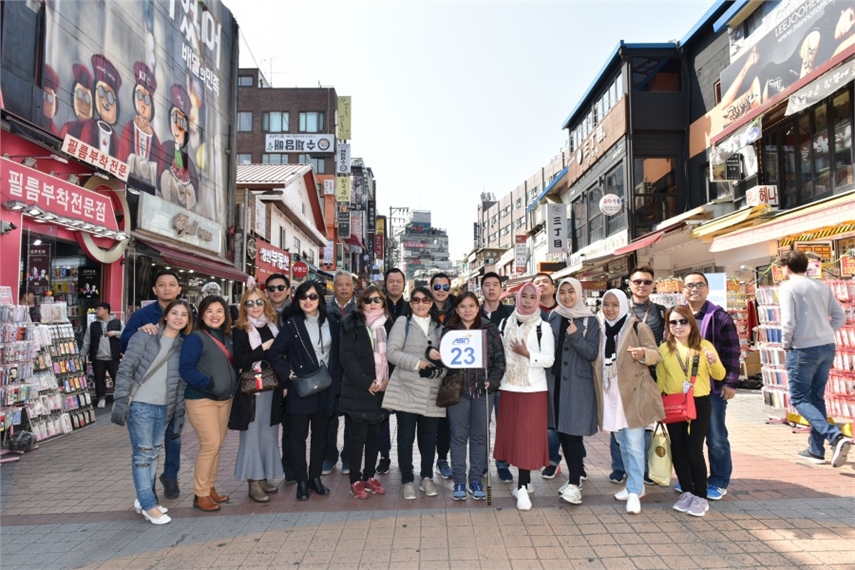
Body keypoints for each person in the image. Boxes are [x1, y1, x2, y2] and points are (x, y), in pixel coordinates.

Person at [110, 300, 192, 525]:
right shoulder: (145, 335)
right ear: (165, 316)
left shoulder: (183, 346)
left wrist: (178, 412)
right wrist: (120, 400)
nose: (178, 317)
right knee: (143, 455)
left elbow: (181, 383)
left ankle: (143, 499)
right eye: (174, 313)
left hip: (164, 407)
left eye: (183, 315)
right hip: (140, 405)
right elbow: (126, 368)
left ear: (188, 321)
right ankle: (148, 505)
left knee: (153, 453)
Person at [268, 281, 342, 502]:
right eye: (303, 297)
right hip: (300, 389)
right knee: (298, 437)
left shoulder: (332, 322)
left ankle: (315, 478)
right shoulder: (293, 324)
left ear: (320, 299)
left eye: (312, 296)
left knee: (321, 437)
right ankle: (301, 481)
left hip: (325, 388)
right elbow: (275, 353)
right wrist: (288, 375)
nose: (307, 301)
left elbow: (338, 354)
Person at [594, 289, 663, 515]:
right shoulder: (602, 330)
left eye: (615, 304)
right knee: (621, 441)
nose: (610, 309)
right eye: (606, 304)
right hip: (611, 394)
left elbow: (656, 354)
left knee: (633, 444)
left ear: (623, 305)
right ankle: (635, 485)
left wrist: (643, 353)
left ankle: (634, 491)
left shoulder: (636, 327)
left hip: (632, 394)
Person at [779, 250, 849, 467]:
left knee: (800, 398)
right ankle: (816, 450)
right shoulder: (821, 286)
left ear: (786, 267)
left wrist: (786, 343)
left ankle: (835, 436)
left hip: (802, 348)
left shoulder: (788, 287)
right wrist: (826, 331)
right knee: (817, 398)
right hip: (827, 346)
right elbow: (840, 316)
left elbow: (788, 321)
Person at [657, 306, 726, 518]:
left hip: (699, 401)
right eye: (673, 322)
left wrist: (714, 362)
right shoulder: (664, 349)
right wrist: (657, 405)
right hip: (673, 403)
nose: (678, 326)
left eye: (683, 321)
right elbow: (660, 379)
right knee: (677, 448)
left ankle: (701, 496)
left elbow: (720, 375)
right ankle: (687, 490)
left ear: (691, 323)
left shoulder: (704, 346)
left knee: (694, 449)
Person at [121, 270, 184, 500]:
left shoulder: (185, 314)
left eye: (172, 284)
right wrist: (140, 332)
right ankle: (148, 490)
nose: (167, 288)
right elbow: (124, 343)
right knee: (146, 447)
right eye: (162, 284)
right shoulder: (142, 315)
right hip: (147, 395)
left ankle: (171, 476)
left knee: (173, 438)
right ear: (154, 289)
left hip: (174, 391)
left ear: (179, 289)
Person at [493, 283, 555, 511]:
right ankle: (524, 484)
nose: (527, 301)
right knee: (513, 436)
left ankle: (522, 486)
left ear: (537, 300)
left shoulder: (543, 327)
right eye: (524, 297)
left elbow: (549, 359)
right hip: (508, 387)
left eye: (532, 297)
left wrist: (527, 354)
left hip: (533, 389)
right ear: (517, 299)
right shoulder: (505, 323)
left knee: (527, 438)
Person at [384, 286, 447, 500]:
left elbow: (448, 357)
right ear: (410, 303)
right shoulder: (403, 322)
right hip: (407, 389)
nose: (421, 304)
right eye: (416, 300)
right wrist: (417, 363)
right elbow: (392, 353)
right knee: (405, 437)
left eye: (425, 300)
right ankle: (407, 480)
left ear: (431, 302)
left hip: (432, 390)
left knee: (429, 439)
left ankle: (426, 477)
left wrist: (440, 365)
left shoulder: (440, 326)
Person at [682, 272, 740, 500]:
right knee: (689, 437)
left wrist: (731, 382)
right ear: (683, 290)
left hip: (712, 389)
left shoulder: (719, 317)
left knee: (715, 437)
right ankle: (692, 479)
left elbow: (732, 351)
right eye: (689, 285)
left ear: (707, 289)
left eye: (699, 285)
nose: (694, 289)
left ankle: (718, 480)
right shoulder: (678, 315)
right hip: (685, 389)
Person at [443, 293, 506, 501]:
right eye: (462, 306)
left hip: (482, 391)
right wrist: (434, 354)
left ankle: (476, 479)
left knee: (480, 436)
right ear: (456, 309)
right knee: (458, 436)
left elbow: (500, 360)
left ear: (478, 308)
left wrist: (493, 381)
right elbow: (442, 360)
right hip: (457, 391)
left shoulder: (489, 329)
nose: (467, 310)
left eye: (471, 306)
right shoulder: (449, 331)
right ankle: (459, 480)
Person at [179, 295, 237, 512]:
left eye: (219, 311)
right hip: (201, 398)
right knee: (210, 444)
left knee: (217, 444)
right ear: (201, 314)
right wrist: (208, 383)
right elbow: (186, 368)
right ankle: (200, 494)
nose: (215, 315)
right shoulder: (196, 338)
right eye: (209, 311)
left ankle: (210, 487)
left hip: (224, 399)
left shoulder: (227, 336)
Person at [609, 266, 666, 485]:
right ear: (629, 284)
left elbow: (662, 345)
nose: (642, 285)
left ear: (653, 285)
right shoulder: (618, 307)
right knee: (618, 424)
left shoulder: (661, 311)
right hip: (622, 376)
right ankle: (619, 467)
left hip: (648, 374)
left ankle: (643, 470)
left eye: (647, 282)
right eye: (637, 281)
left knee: (643, 424)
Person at [229, 288, 285, 504]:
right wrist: (263, 348)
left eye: (259, 302)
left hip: (273, 388)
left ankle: (263, 476)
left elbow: (281, 356)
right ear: (243, 307)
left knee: (269, 433)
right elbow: (241, 360)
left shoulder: (273, 325)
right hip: (252, 390)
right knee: (251, 435)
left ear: (266, 303)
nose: (255, 307)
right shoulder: (240, 329)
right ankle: (253, 481)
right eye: (249, 303)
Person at [548, 279, 600, 505]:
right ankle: (573, 480)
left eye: (571, 291)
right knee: (561, 432)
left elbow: (592, 353)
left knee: (573, 435)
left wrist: (576, 337)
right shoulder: (554, 316)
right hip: (555, 383)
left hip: (578, 385)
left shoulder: (590, 320)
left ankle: (575, 481)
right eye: (563, 292)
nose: (567, 296)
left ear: (579, 293)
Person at [339, 286, 392, 499]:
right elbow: (347, 357)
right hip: (358, 389)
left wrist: (387, 380)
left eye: (377, 300)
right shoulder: (351, 323)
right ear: (361, 303)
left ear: (383, 303)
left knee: (374, 437)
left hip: (381, 390)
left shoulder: (387, 325)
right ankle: (355, 479)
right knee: (357, 438)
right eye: (368, 300)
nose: (373, 303)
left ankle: (369, 476)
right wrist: (366, 382)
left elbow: (392, 356)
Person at [480, 272, 515, 483]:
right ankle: (481, 464)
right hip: (481, 379)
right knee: (481, 425)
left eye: (495, 284)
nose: (491, 288)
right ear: (481, 289)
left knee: (504, 424)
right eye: (487, 285)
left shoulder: (512, 313)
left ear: (501, 289)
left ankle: (503, 464)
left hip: (506, 378)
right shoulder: (473, 313)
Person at [323, 272, 356, 476]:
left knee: (352, 419)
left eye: (347, 284)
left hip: (354, 374)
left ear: (353, 287)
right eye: (339, 285)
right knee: (330, 418)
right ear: (333, 287)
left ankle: (349, 457)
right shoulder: (324, 311)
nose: (344, 288)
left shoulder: (360, 311)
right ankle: (329, 456)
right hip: (331, 371)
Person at [378, 267, 409, 474]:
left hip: (406, 370)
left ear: (404, 284)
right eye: (391, 281)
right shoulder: (378, 307)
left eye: (399, 281)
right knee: (382, 416)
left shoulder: (411, 307)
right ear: (385, 284)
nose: (395, 284)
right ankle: (384, 456)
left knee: (405, 419)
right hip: (383, 369)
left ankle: (405, 460)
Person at [265, 274, 295, 483]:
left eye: (280, 287)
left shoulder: (296, 312)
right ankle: (265, 471)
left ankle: (289, 467)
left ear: (288, 289)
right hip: (265, 378)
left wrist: (287, 378)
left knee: (291, 427)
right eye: (272, 288)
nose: (276, 291)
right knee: (266, 428)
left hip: (289, 376)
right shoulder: (260, 312)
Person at [532, 272, 561, 479]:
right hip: (539, 372)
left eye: (545, 282)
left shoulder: (565, 308)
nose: (541, 285)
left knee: (568, 418)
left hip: (564, 371)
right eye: (537, 283)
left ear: (553, 286)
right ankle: (552, 460)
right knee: (548, 420)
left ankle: (578, 460)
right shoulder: (530, 311)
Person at [429, 272, 456, 480]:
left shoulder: (458, 309)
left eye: (445, 287)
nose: (441, 291)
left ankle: (442, 459)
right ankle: (425, 464)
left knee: (447, 421)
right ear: (431, 288)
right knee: (428, 422)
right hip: (427, 374)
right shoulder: (422, 307)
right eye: (437, 287)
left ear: (450, 289)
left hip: (451, 376)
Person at [81, 302, 122, 409]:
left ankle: (120, 398)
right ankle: (101, 398)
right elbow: (87, 341)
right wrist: (82, 355)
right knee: (99, 379)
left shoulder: (118, 323)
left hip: (113, 357)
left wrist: (115, 333)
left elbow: (126, 334)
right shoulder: (93, 325)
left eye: (99, 309)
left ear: (106, 310)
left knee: (117, 378)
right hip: (98, 357)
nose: (96, 311)